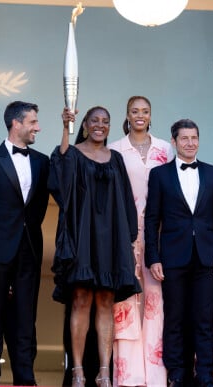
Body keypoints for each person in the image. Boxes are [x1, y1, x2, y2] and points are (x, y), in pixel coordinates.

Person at [49, 106, 141, 387]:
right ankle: (77, 370)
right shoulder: (74, 154)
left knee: (105, 301)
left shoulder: (116, 159)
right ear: (86, 125)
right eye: (94, 121)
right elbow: (60, 176)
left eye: (105, 121)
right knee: (81, 299)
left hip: (111, 238)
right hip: (82, 237)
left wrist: (128, 241)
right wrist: (66, 127)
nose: (100, 125)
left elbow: (126, 200)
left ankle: (104, 371)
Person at [144, 118, 213, 387]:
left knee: (204, 319)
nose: (190, 143)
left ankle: (205, 374)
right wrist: (153, 257)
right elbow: (151, 219)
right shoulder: (159, 175)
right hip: (172, 257)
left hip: (206, 257)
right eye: (185, 138)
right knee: (175, 317)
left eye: (194, 138)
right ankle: (177, 373)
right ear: (174, 141)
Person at [0, 101, 49, 385]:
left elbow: (38, 207)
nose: (37, 127)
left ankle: (25, 379)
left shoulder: (42, 161)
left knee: (26, 318)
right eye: (33, 122)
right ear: (16, 123)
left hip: (29, 250)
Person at [108, 96, 173, 387]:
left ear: (150, 115)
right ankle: (128, 375)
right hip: (125, 234)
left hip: (158, 234)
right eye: (134, 111)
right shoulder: (114, 150)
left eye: (145, 111)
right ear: (127, 114)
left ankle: (157, 376)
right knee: (125, 302)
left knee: (156, 302)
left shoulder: (166, 149)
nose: (140, 116)